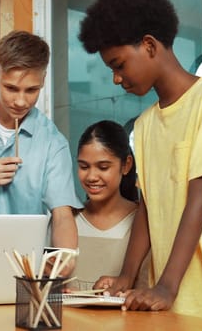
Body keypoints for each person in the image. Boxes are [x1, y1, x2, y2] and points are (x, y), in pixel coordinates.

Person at [78, 0, 202, 326]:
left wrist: (166, 285)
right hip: (173, 302)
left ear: (149, 45)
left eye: (119, 65)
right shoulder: (146, 124)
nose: (117, 79)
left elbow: (201, 200)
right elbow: (149, 208)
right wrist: (127, 276)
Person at [0, 30, 81, 274]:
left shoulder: (53, 142)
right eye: (11, 88)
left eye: (32, 90)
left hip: (23, 270)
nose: (21, 101)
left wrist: (65, 257)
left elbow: (62, 216)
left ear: (43, 81)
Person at [70, 120, 150, 290]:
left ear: (126, 165)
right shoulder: (67, 221)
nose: (92, 176)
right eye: (84, 166)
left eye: (103, 167)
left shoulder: (142, 224)